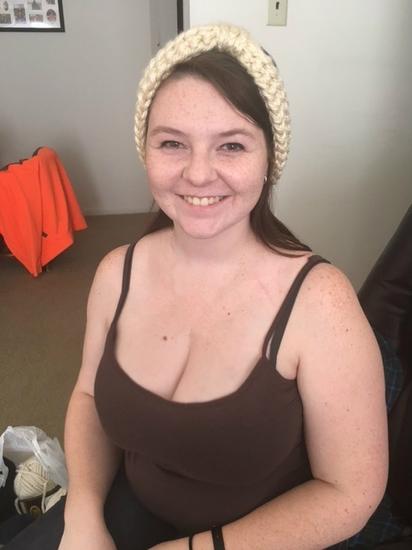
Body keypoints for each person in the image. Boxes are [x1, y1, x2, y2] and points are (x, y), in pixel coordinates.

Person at [5, 23, 388, 550]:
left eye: (231, 145)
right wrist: (84, 514)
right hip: (129, 507)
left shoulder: (321, 303)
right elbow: (90, 396)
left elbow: (350, 493)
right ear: (146, 151)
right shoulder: (116, 273)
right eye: (172, 143)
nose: (199, 174)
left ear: (269, 158)